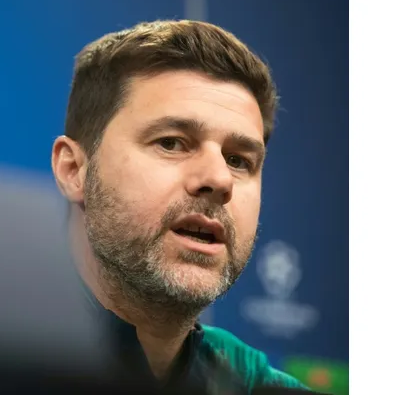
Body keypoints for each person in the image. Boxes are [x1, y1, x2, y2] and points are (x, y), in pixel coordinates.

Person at [50, 20, 309, 393]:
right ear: (74, 170)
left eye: (238, 161)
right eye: (171, 143)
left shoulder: (249, 383)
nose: (219, 180)